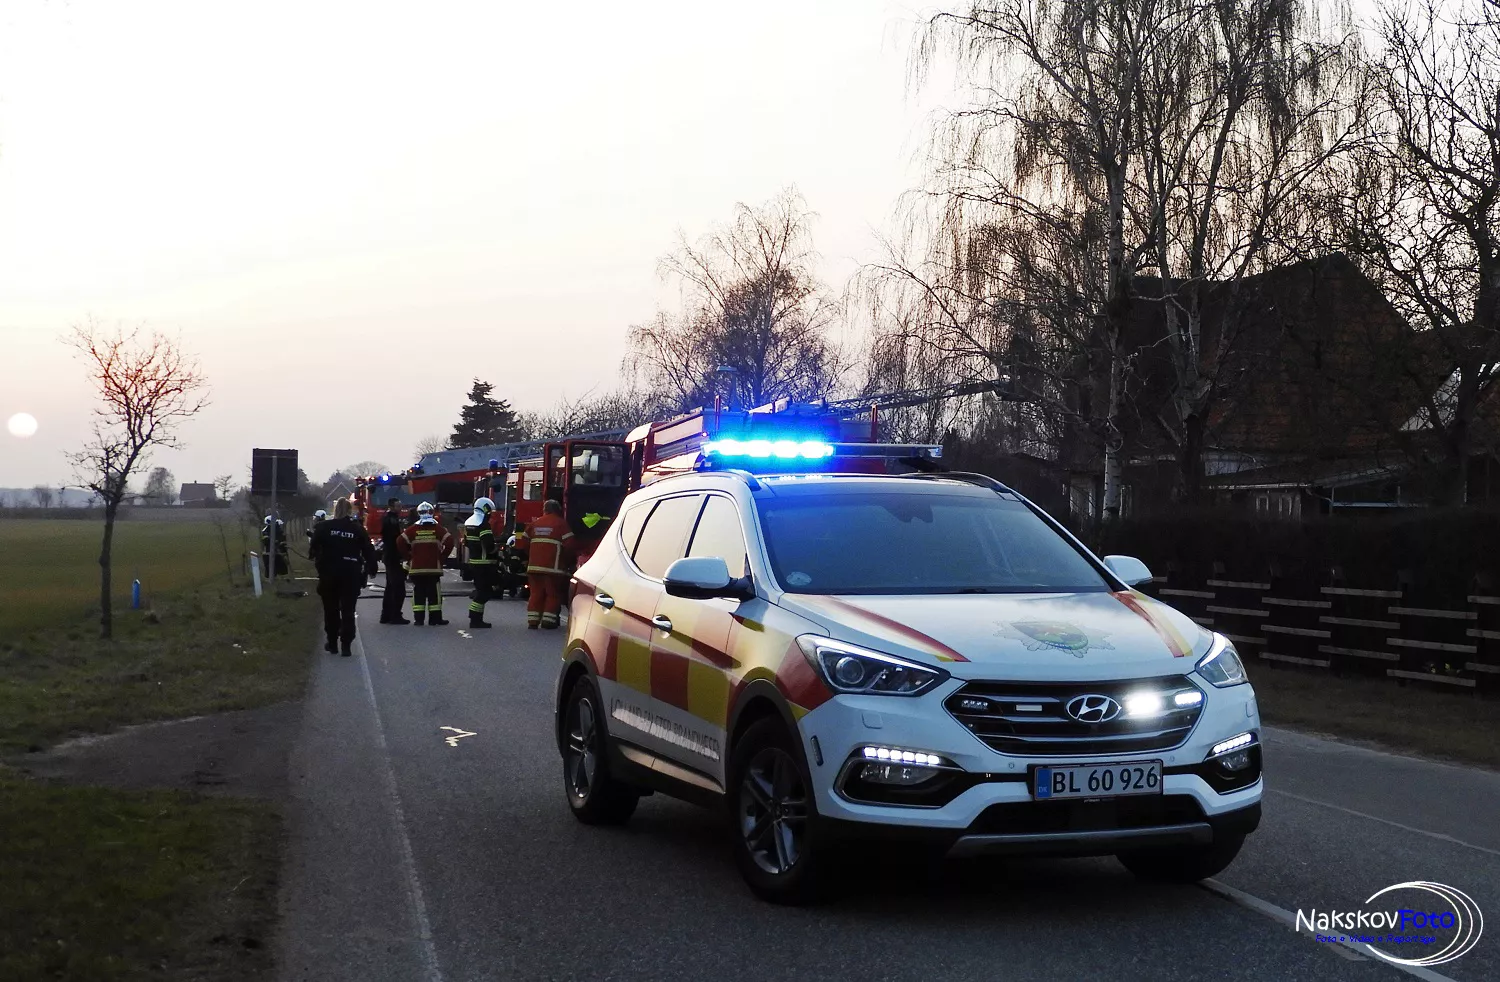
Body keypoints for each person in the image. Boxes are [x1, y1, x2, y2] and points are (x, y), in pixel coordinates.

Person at [309, 498, 378, 656]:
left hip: (329, 574)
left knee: (330, 609)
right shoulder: (357, 529)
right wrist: (371, 568)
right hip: (350, 574)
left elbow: (313, 549)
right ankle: (346, 645)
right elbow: (368, 550)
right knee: (348, 610)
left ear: (334, 511)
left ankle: (332, 642)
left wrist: (318, 561)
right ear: (349, 510)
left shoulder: (323, 527)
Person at [515, 498, 576, 630]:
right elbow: (570, 546)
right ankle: (548, 621)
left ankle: (533, 621)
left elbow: (523, 541)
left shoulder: (535, 523)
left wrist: (531, 554)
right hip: (553, 568)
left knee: (536, 593)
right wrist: (569, 562)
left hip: (534, 567)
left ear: (545, 510)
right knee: (552, 594)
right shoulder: (561, 524)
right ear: (558, 510)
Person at [397, 501, 454, 626]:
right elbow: (450, 542)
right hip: (433, 569)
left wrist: (409, 557)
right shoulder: (437, 528)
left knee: (418, 593)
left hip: (416, 569)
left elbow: (400, 541)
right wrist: (442, 557)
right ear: (432, 513)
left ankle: (419, 620)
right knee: (434, 594)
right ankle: (435, 619)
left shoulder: (413, 529)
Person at [464, 497, 500, 628]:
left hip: (474, 563)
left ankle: (476, 618)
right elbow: (489, 546)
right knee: (484, 593)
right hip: (484, 564)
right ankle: (475, 618)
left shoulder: (469, 523)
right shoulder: (483, 525)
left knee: (481, 590)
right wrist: (496, 550)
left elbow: (466, 542)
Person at [380, 497, 409, 624]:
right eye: (397, 506)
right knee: (398, 587)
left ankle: (386, 615)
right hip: (392, 557)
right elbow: (395, 540)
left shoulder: (390, 519)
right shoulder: (391, 520)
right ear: (391, 506)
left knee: (390, 587)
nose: (400, 508)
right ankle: (395, 615)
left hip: (389, 556)